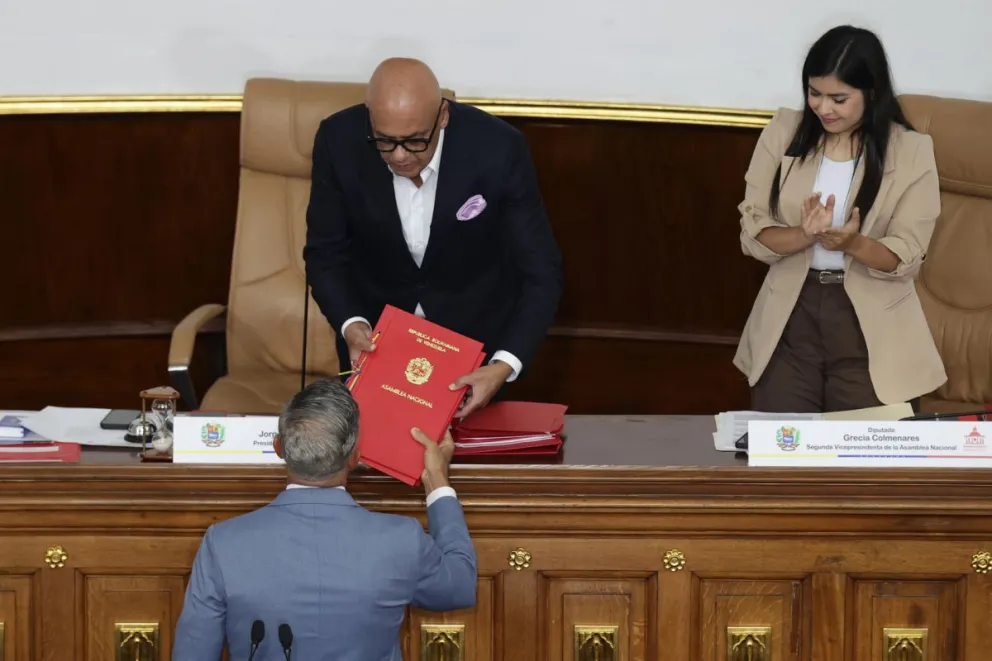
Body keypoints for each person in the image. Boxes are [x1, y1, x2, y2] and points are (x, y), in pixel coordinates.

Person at [304, 57, 562, 418]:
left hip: (476, 351)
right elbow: (324, 253)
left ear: (442, 117)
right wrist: (351, 323)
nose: (399, 156)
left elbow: (541, 271)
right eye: (384, 141)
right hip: (377, 350)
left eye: (414, 141)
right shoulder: (338, 141)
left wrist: (504, 364)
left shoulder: (498, 149)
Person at [171, 379, 476, 661]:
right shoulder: (401, 539)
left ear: (279, 448)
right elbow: (460, 584)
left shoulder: (223, 543)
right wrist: (437, 479)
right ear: (355, 456)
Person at [735, 25, 946, 413]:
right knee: (783, 454)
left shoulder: (912, 151)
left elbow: (907, 255)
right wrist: (803, 234)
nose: (823, 108)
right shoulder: (784, 132)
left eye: (839, 98)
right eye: (814, 93)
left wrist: (853, 244)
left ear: (871, 92)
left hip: (869, 325)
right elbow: (753, 233)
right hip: (791, 316)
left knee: (863, 463)